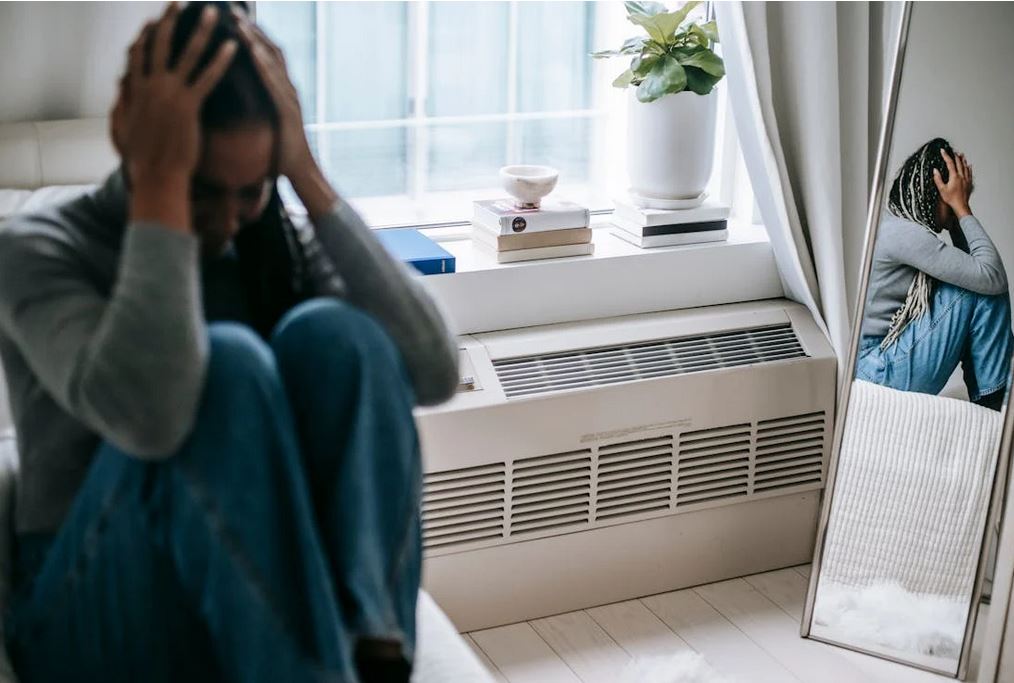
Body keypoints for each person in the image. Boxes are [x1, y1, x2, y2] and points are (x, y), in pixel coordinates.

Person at [0, 3, 459, 682]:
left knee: (339, 336)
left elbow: (434, 371)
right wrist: (160, 187)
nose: (226, 221)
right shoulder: (38, 248)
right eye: (202, 190)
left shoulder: (271, 242)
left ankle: (376, 651)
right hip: (81, 602)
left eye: (252, 191)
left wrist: (306, 177)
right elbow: (152, 418)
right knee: (231, 364)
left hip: (241, 588)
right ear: (134, 135)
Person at [856, 137, 1012, 410]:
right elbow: (990, 275)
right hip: (877, 372)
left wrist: (957, 216)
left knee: (980, 284)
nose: (957, 203)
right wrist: (962, 210)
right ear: (936, 191)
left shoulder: (896, 225)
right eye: (953, 196)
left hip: (875, 366)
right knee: (982, 288)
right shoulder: (905, 235)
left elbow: (978, 270)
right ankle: (996, 402)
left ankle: (994, 399)